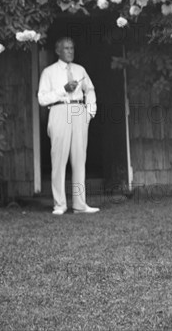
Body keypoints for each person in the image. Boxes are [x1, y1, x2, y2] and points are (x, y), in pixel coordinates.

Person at [38, 37, 100, 215]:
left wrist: (89, 113)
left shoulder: (80, 69)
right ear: (58, 51)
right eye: (66, 48)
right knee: (59, 160)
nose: (70, 51)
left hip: (79, 111)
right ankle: (60, 204)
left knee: (79, 159)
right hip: (59, 110)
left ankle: (80, 204)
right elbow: (42, 99)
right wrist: (63, 89)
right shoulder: (49, 72)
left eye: (72, 48)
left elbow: (90, 90)